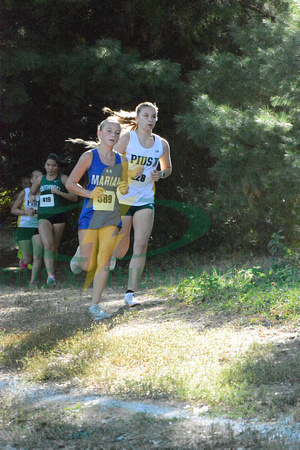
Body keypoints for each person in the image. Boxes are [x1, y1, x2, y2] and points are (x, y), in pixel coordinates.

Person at [103, 102, 172, 307]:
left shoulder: (162, 143)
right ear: (138, 118)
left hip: (145, 200)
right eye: (146, 116)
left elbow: (168, 168)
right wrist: (130, 169)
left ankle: (130, 294)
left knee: (141, 245)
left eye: (153, 117)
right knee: (121, 251)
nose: (150, 120)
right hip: (123, 198)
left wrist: (161, 174)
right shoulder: (128, 139)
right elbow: (108, 160)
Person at [65, 117, 129, 320]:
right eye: (109, 131)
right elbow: (71, 184)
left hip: (111, 214)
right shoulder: (89, 157)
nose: (113, 135)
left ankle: (95, 306)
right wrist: (90, 193)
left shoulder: (122, 160)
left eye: (117, 132)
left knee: (104, 260)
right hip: (90, 213)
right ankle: (79, 255)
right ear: (100, 134)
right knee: (87, 266)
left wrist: (124, 186)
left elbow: (123, 186)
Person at [30, 153, 78, 286]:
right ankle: (50, 275)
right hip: (43, 215)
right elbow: (31, 193)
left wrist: (59, 193)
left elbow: (74, 197)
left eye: (53, 165)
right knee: (48, 244)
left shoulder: (63, 179)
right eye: (48, 165)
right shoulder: (40, 179)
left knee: (54, 247)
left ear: (57, 166)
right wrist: (31, 198)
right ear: (44, 166)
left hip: (59, 216)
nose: (51, 168)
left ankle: (52, 273)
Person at [11, 170, 44, 285]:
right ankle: (23, 260)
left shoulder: (45, 193)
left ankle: (33, 282)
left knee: (37, 257)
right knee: (27, 259)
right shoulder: (25, 192)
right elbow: (13, 209)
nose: (38, 179)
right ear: (31, 180)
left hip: (39, 226)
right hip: (25, 226)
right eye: (36, 177)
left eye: (41, 177)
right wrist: (25, 212)